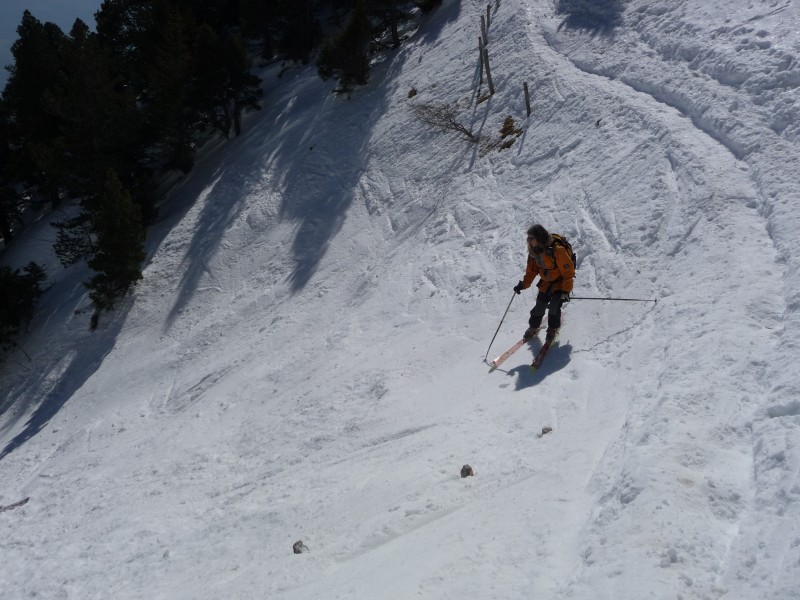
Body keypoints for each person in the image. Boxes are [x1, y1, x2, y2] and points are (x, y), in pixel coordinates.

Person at [513, 224, 575, 343]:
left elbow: (568, 272)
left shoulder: (557, 250)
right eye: (528, 238)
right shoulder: (533, 252)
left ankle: (552, 328)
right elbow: (531, 271)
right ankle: (534, 327)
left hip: (560, 283)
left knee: (554, 307)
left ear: (539, 238)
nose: (529, 241)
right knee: (539, 306)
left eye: (531, 238)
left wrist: (566, 291)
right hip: (546, 282)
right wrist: (523, 285)